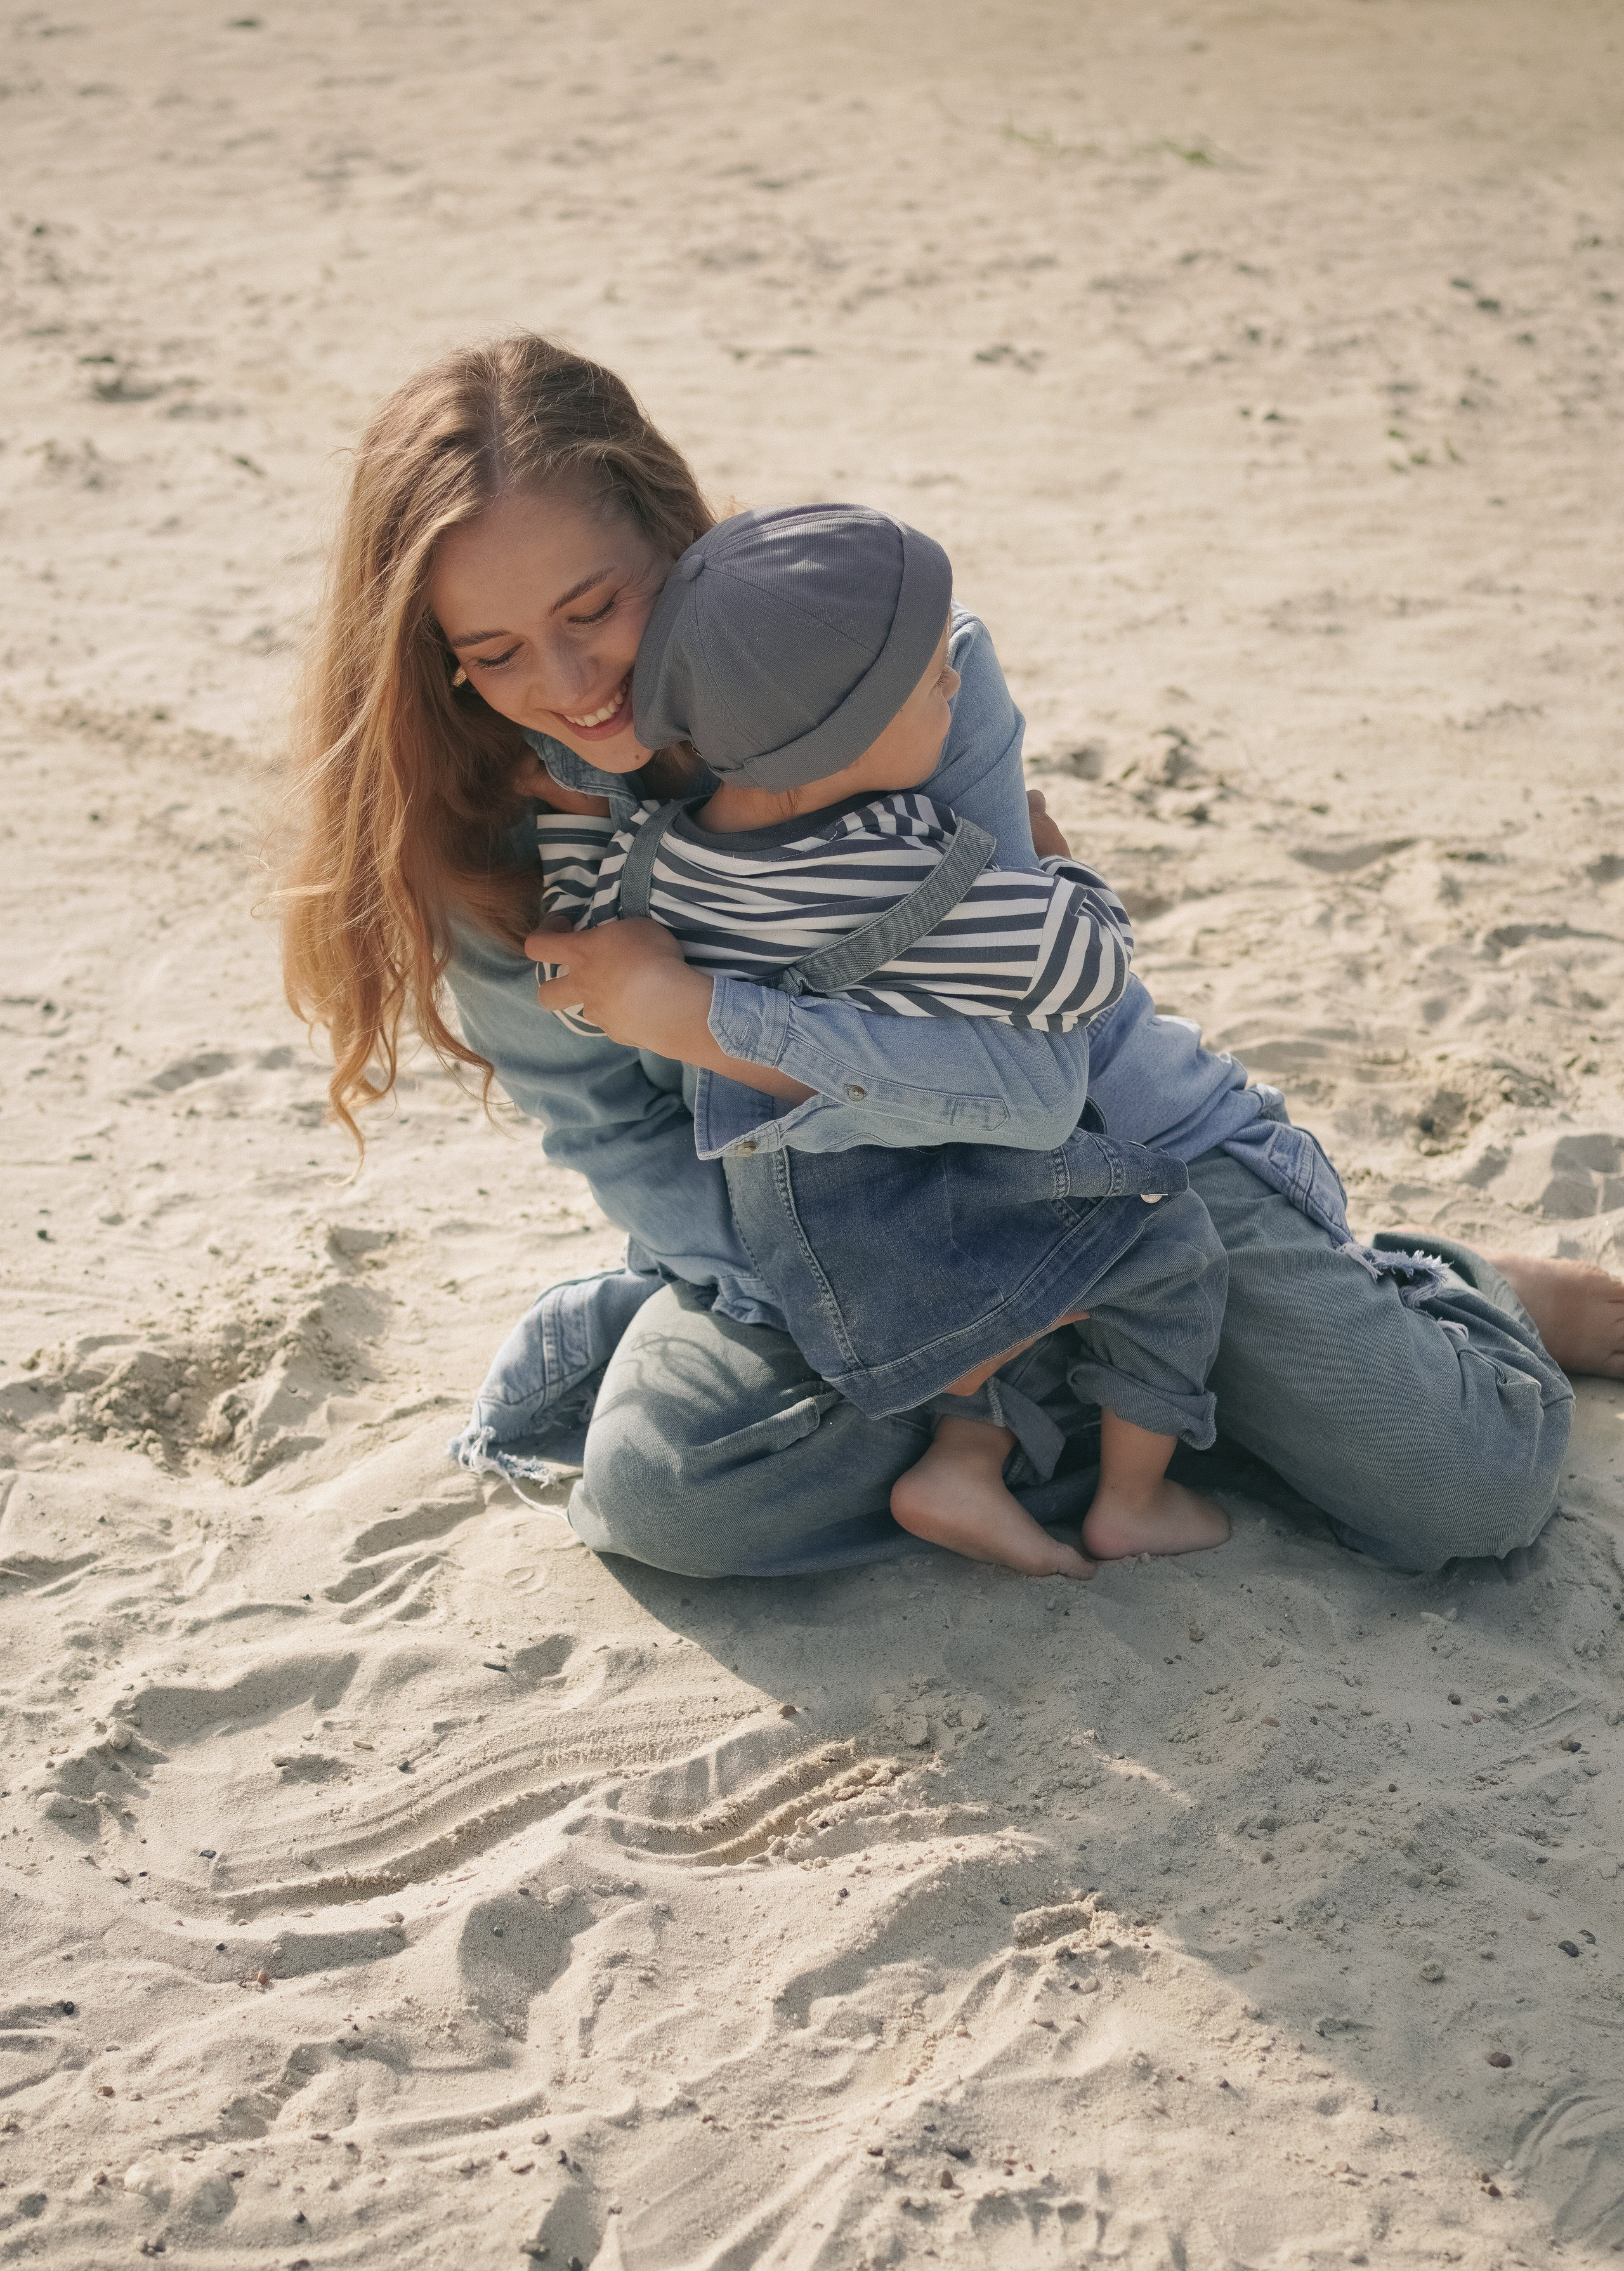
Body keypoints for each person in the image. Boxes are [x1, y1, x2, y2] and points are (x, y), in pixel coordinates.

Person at [282, 332, 1624, 1584]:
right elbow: (622, 1147)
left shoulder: (894, 674)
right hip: (827, 1241)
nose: (571, 682)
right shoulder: (486, 846)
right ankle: (1148, 1392)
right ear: (437, 663)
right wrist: (906, 1315)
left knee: (1466, 1495)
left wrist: (700, 1018)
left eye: (595, 608)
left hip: (1106, 1168)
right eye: (496, 652)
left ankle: (1425, 1298)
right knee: (665, 1493)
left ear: (673, 545)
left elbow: (1029, 1082)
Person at [534, 500, 1231, 1572]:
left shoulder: (655, 866)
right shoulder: (902, 874)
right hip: (924, 1203)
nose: (954, 680)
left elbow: (584, 947)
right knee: (1167, 1245)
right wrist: (1058, 866)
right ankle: (1136, 1499)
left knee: (1006, 1269)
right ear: (827, 750)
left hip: (801, 1233)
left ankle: (967, 1456)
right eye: (927, 687)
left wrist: (565, 798)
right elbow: (1085, 973)